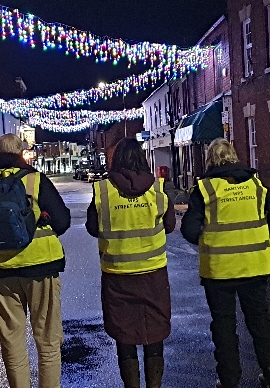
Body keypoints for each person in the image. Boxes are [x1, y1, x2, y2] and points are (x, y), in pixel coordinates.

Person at [181, 138, 270, 388]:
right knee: (259, 320)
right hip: (254, 265)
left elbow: (188, 230)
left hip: (219, 271)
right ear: (234, 157)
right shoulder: (255, 185)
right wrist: (264, 228)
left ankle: (229, 379)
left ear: (210, 159)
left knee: (224, 326)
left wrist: (210, 237)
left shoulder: (205, 189)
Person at [0, 133, 70, 388]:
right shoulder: (35, 180)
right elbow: (63, 221)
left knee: (12, 341)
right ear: (20, 153)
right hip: (40, 267)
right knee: (47, 341)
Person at [85, 138, 175, 388]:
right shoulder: (158, 189)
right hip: (153, 275)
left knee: (124, 333)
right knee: (154, 330)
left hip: (118, 276)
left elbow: (93, 227)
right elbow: (169, 226)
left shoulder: (103, 190)